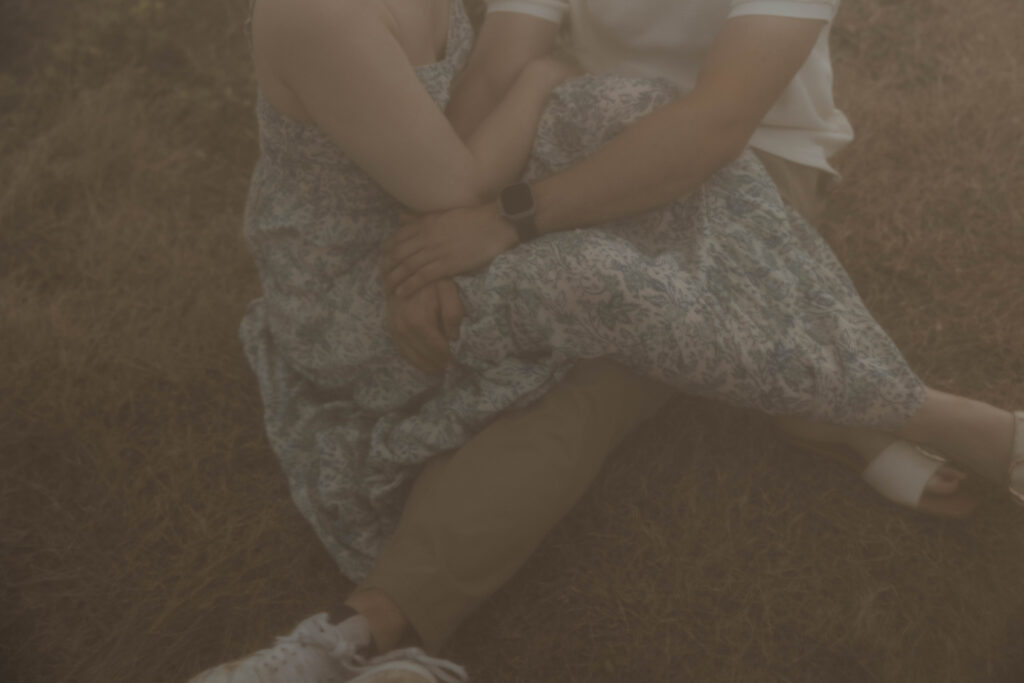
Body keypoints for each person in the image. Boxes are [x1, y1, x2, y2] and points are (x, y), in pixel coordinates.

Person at [187, 0, 1023, 681]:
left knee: (598, 373)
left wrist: (507, 220)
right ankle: (832, 409)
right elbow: (498, 60)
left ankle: (366, 628)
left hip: (738, 167)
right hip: (565, 133)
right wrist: (429, 238)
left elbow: (715, 121)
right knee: (589, 320)